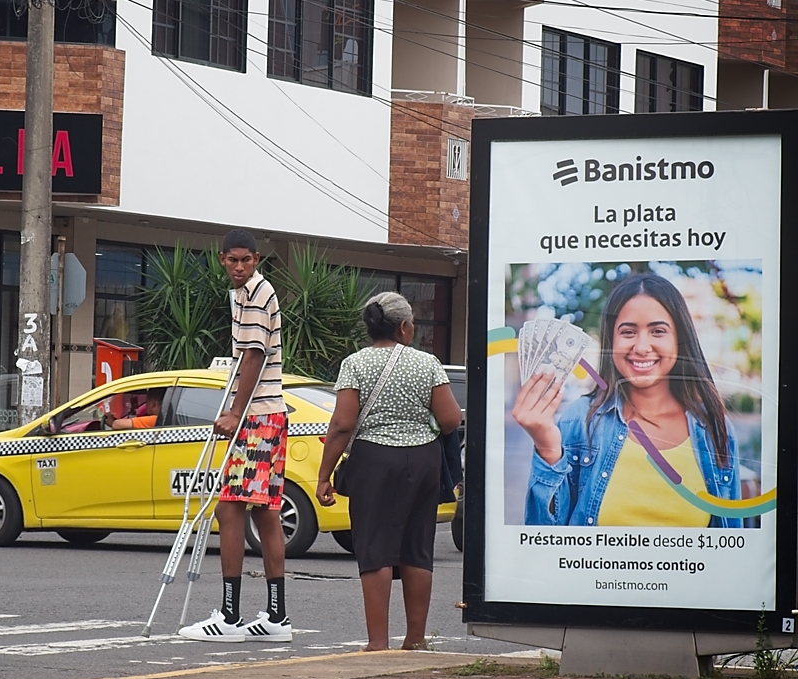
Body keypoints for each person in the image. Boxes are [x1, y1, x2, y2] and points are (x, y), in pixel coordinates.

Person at [514, 272, 740, 528]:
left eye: (658, 331)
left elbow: (730, 544)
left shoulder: (715, 428)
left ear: (680, 339)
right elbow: (544, 542)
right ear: (611, 340)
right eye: (628, 332)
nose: (642, 346)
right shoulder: (579, 420)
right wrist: (547, 447)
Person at [316, 292, 461, 651]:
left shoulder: (355, 364)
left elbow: (342, 424)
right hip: (423, 461)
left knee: (375, 549)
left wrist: (324, 475)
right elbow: (450, 419)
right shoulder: (427, 364)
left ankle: (377, 642)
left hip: (374, 463)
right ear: (404, 327)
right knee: (416, 549)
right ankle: (415, 640)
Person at [179, 229, 291, 643]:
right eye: (233, 261)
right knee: (264, 513)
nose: (240, 267)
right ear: (222, 259)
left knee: (229, 510)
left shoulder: (259, 294)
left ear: (256, 259)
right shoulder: (242, 296)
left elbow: (255, 356)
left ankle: (229, 617)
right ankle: (277, 617)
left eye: (247, 260)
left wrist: (235, 412)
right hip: (264, 416)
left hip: (258, 417)